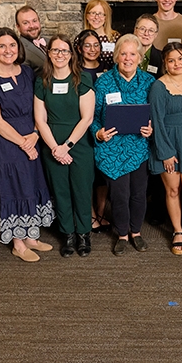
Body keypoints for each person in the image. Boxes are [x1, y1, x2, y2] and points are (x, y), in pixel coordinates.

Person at [0, 27, 54, 262]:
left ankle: (31, 237)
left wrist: (34, 134)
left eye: (12, 45)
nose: (8, 50)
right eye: (1, 46)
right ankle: (18, 243)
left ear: (19, 48)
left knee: (30, 184)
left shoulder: (28, 73)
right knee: (13, 188)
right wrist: (23, 142)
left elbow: (39, 107)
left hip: (31, 135)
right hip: (7, 143)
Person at [90, 34, 155, 255]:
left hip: (138, 147)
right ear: (117, 56)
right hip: (112, 149)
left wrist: (150, 128)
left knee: (138, 193)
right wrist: (98, 133)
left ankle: (136, 232)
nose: (128, 58)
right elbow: (94, 117)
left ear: (140, 56)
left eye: (133, 54)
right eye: (124, 53)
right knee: (119, 195)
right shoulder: (104, 82)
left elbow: (154, 116)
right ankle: (122, 235)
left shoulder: (149, 82)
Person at [35, 34, 97, 257]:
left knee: (81, 189)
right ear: (49, 54)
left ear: (72, 54)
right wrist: (55, 148)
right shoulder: (42, 80)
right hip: (51, 143)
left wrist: (67, 146)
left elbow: (87, 118)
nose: (59, 55)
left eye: (64, 51)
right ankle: (68, 234)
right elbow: (40, 120)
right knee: (60, 191)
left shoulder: (82, 79)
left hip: (78, 143)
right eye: (55, 50)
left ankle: (83, 234)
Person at [149, 43, 182, 255]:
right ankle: (177, 231)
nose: (176, 64)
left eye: (180, 59)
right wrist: (165, 153)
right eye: (171, 60)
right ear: (165, 63)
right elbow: (156, 122)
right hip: (168, 141)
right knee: (172, 190)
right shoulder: (158, 87)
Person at [72, 30, 111, 233]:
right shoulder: (75, 71)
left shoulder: (109, 69)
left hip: (104, 129)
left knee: (102, 173)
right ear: (79, 48)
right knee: (87, 174)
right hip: (82, 128)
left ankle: (102, 211)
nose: (92, 49)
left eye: (96, 45)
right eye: (87, 45)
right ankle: (91, 215)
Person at [84, 0, 120, 69]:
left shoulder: (115, 38)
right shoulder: (80, 38)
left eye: (100, 14)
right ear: (87, 16)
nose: (96, 17)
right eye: (93, 13)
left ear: (106, 17)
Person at [15, 5, 48, 74]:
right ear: (18, 27)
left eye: (34, 21)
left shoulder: (50, 41)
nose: (32, 26)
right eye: (25, 23)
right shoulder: (18, 49)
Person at [135, 13, 164, 78]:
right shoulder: (126, 55)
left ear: (156, 34)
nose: (146, 33)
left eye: (151, 30)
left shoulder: (162, 57)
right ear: (135, 31)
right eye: (142, 29)